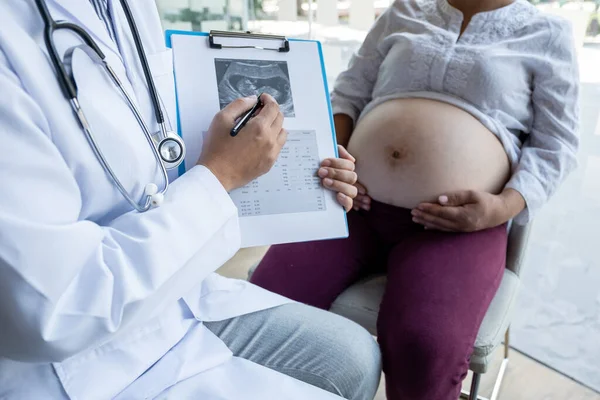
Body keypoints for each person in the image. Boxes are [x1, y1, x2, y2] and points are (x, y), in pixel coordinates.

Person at [0, 1, 381, 399]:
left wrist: (301, 165)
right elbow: (54, 308)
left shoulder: (127, 7)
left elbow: (161, 139)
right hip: (74, 360)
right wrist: (220, 176)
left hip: (171, 288)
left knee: (355, 358)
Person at [250, 0, 580, 399]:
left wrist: (501, 208)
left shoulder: (547, 33)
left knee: (424, 343)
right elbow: (348, 94)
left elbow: (555, 145)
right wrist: (339, 155)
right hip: (353, 204)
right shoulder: (406, 10)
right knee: (265, 299)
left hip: (456, 226)